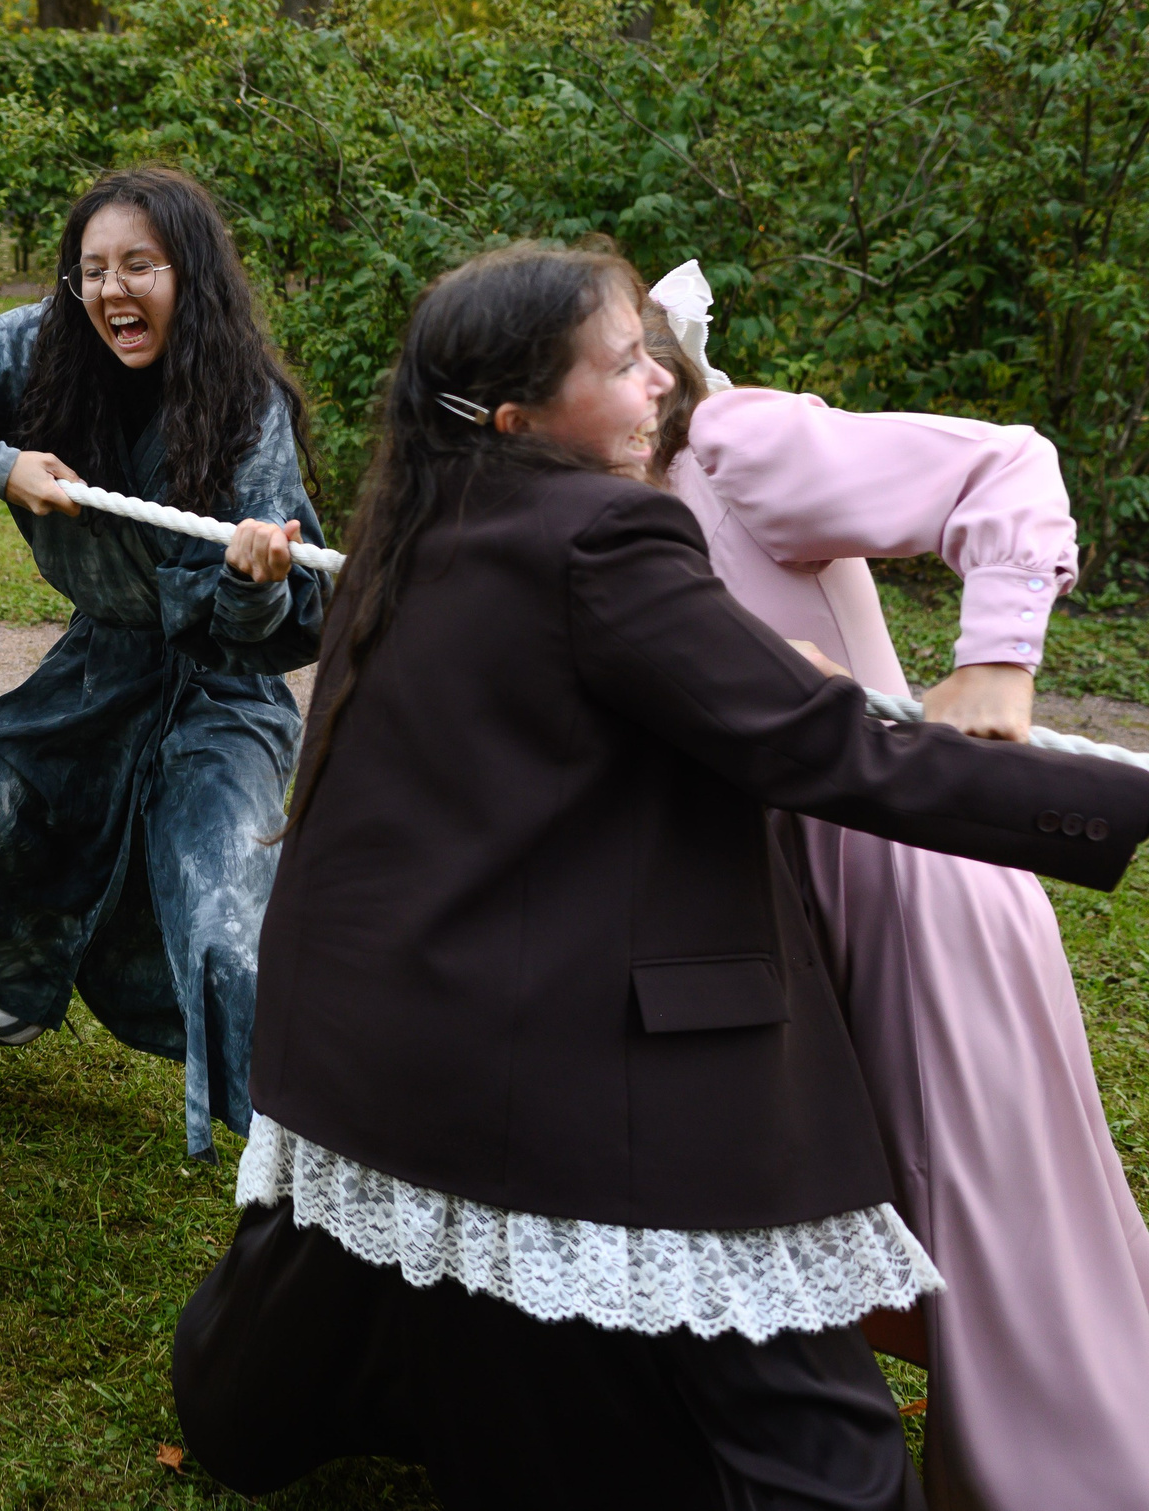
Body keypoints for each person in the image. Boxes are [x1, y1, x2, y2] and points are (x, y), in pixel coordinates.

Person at [168, 241, 1149, 1509]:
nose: (659, 384)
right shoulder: (605, 533)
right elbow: (827, 750)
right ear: (521, 415)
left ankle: (277, 1405)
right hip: (575, 1062)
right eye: (623, 365)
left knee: (434, 1363)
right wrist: (1115, 807)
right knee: (822, 1450)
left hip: (384, 1030)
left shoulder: (419, 511)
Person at [639, 259, 1149, 1511]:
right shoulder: (596, 505)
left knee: (1004, 1237)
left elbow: (1003, 461)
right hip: (758, 920)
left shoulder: (733, 437)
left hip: (899, 885)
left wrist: (996, 660)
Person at [0, 165, 328, 1158]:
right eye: (91, 268)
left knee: (228, 942)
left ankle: (312, 1153)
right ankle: (33, 961)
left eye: (139, 264)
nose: (111, 290)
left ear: (190, 274)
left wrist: (254, 582)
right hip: (93, 675)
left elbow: (281, 627)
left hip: (216, 698)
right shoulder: (43, 348)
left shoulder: (244, 407)